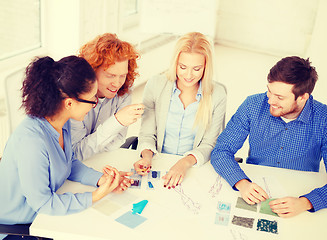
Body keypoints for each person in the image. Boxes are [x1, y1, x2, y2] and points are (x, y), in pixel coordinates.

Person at [0, 56, 133, 239]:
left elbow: (67, 161)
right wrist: (94, 196)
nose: (95, 104)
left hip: (45, 218)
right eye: (92, 99)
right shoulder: (32, 142)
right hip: (21, 227)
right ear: (69, 103)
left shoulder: (62, 122)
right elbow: (44, 203)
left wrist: (101, 180)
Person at [211, 56, 327, 218]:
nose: (270, 100)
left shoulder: (323, 119)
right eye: (269, 91)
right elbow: (221, 150)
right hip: (255, 187)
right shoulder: (252, 105)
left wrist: (306, 202)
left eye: (279, 97)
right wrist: (241, 183)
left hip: (301, 194)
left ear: (302, 97)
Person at [134, 32, 227, 189]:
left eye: (197, 69)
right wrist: (147, 157)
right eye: (182, 67)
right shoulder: (156, 85)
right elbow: (147, 134)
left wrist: (184, 163)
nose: (189, 75)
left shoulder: (217, 94)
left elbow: (210, 143)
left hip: (193, 165)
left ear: (206, 67)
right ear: (175, 63)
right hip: (158, 161)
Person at [71, 33, 144, 161]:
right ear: (92, 70)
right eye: (110, 75)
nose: (117, 84)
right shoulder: (76, 97)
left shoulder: (124, 91)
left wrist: (92, 145)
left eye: (122, 76)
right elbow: (76, 153)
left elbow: (117, 142)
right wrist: (116, 122)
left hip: (105, 161)